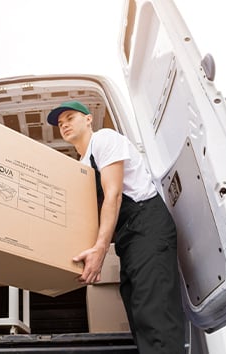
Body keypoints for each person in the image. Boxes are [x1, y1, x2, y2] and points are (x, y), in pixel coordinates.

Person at [47, 100, 185, 353]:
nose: (64, 124)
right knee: (138, 312)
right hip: (127, 239)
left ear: (88, 119)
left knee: (154, 312)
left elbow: (114, 195)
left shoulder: (104, 140)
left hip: (147, 226)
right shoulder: (82, 165)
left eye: (70, 117)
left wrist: (99, 251)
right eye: (60, 123)